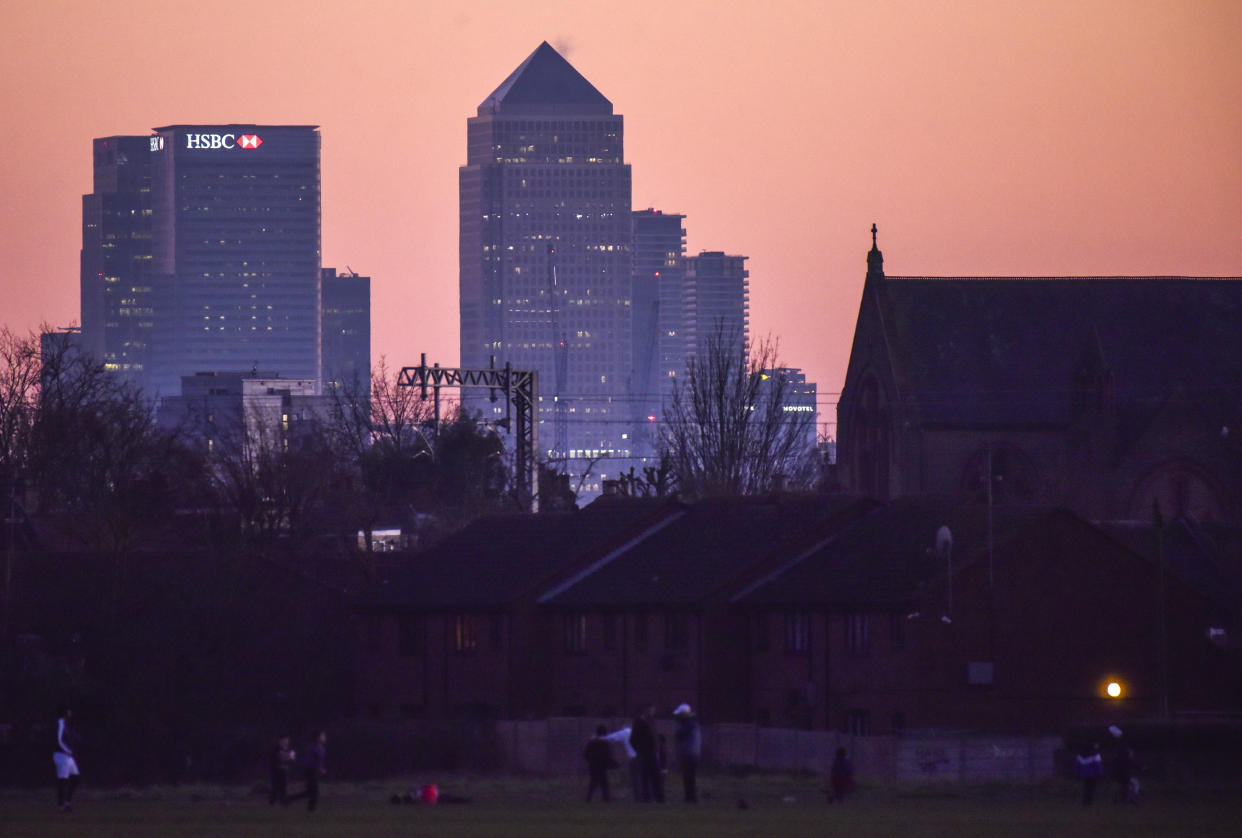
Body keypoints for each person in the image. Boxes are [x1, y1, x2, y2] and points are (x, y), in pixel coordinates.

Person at [630, 705, 663, 802]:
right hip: (646, 753)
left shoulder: (650, 722)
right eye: (651, 710)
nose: (653, 712)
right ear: (646, 710)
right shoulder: (640, 722)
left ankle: (656, 798)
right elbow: (633, 739)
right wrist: (640, 749)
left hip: (651, 752)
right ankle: (650, 798)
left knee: (652, 776)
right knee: (649, 776)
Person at [288, 730, 328, 811]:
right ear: (317, 738)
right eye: (323, 736)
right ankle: (311, 810)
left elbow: (319, 761)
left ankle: (289, 799)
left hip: (314, 771)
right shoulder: (312, 747)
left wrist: (321, 768)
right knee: (313, 792)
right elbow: (309, 760)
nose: (324, 738)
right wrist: (317, 768)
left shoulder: (322, 748)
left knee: (310, 792)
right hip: (310, 771)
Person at [601, 725, 641, 801]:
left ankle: (638, 798)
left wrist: (600, 738)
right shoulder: (637, 732)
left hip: (634, 758)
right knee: (642, 779)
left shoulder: (626, 732)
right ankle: (645, 798)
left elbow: (613, 737)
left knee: (636, 780)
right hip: (643, 757)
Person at [53, 706, 81, 813]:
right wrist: (68, 750)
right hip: (61, 755)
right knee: (63, 780)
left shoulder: (65, 724)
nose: (70, 713)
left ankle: (67, 802)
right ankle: (61, 806)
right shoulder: (60, 723)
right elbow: (59, 740)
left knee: (76, 778)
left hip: (67, 756)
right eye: (68, 711)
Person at [672, 703, 701, 803]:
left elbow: (680, 735)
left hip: (689, 754)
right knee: (690, 777)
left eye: (680, 714)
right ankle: (691, 797)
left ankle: (690, 797)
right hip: (693, 754)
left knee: (688, 777)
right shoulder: (693, 721)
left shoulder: (689, 723)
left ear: (684, 714)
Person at [584, 724, 618, 802]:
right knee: (603, 783)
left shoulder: (592, 742)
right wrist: (613, 764)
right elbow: (606, 755)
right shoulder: (603, 742)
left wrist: (590, 761)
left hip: (593, 766)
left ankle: (589, 799)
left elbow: (586, 753)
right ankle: (606, 799)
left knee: (594, 783)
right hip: (601, 766)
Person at [268, 735, 296, 806]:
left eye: (287, 740)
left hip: (285, 770)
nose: (286, 742)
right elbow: (278, 758)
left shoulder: (290, 749)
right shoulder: (276, 749)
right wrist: (286, 758)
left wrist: (289, 759)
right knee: (275, 785)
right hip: (276, 770)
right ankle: (272, 801)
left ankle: (283, 801)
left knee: (284, 785)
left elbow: (292, 759)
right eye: (284, 740)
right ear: (280, 741)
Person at [1076, 741, 1102, 805]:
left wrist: (1079, 772)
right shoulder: (1096, 754)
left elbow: (1077, 764)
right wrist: (1099, 773)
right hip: (1093, 774)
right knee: (1091, 788)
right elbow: (1097, 765)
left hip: (1084, 773)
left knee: (1086, 787)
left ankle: (1085, 800)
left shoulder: (1081, 754)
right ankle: (1089, 801)